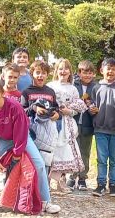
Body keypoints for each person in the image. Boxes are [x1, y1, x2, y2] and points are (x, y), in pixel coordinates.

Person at [0, 79, 61, 214]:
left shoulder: (14, 106)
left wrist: (17, 152)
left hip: (21, 137)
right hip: (4, 138)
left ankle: (45, 201)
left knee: (39, 164)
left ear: (2, 92)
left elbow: (21, 130)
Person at [46, 59, 85, 194]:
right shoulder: (50, 85)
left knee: (64, 151)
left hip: (66, 123)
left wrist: (70, 111)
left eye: (66, 69)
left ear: (70, 71)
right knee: (52, 150)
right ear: (56, 71)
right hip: (52, 121)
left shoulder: (73, 88)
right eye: (60, 69)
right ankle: (47, 182)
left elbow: (76, 106)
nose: (63, 71)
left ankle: (61, 181)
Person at [91, 58, 115, 197]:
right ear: (101, 70)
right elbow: (91, 104)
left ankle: (113, 184)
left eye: (113, 69)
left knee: (114, 158)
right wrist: (91, 109)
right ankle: (101, 184)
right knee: (102, 158)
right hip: (100, 129)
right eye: (107, 68)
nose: (110, 71)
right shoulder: (96, 87)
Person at [70, 60, 99, 191]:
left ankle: (82, 177)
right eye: (84, 72)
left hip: (88, 123)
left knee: (85, 152)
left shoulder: (96, 86)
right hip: (73, 122)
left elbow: (98, 103)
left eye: (90, 73)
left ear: (94, 74)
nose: (87, 75)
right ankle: (71, 176)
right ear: (79, 73)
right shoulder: (73, 85)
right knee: (72, 150)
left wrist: (95, 110)